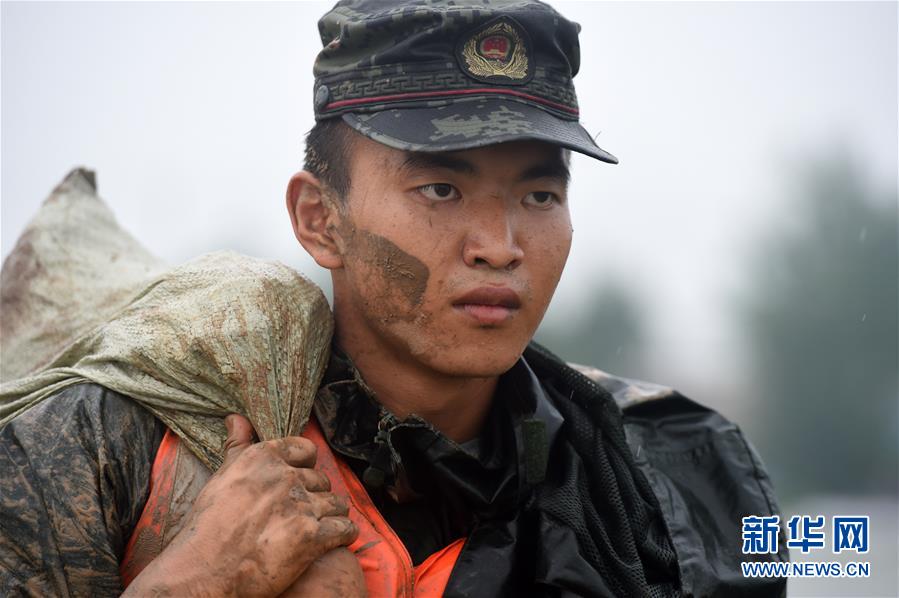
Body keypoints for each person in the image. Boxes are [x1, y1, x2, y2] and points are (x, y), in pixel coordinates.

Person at [0, 0, 788, 596]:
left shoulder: (672, 458)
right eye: (441, 188)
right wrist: (198, 579)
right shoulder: (119, 443)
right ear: (320, 219)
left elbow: (828, 548)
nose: (501, 244)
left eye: (540, 195)